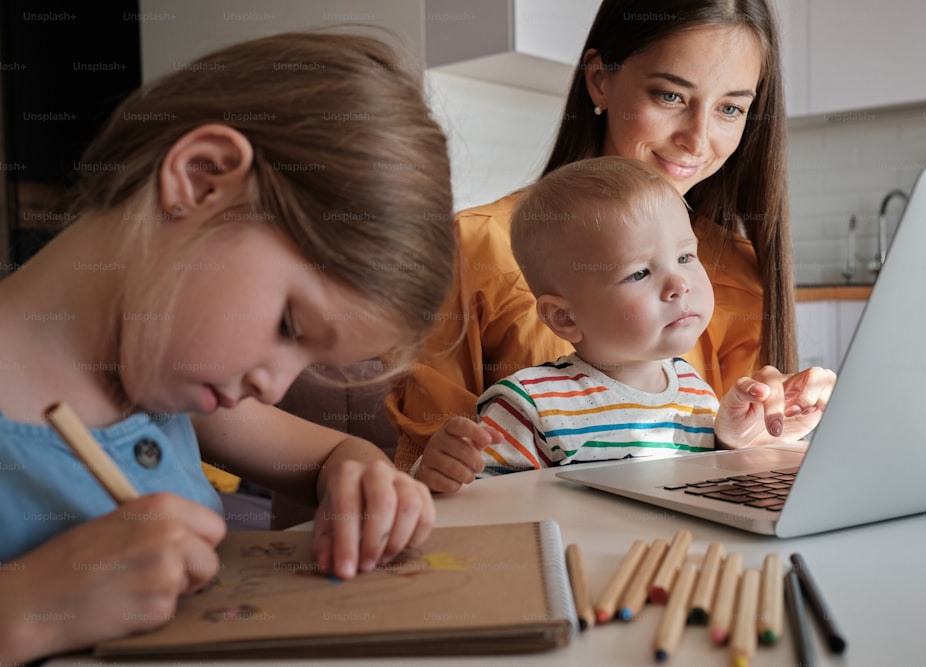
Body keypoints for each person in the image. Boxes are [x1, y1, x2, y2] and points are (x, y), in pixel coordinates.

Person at [0, 31, 454, 664]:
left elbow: (332, 455)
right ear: (203, 178)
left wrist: (360, 475)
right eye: (291, 327)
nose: (275, 385)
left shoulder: (158, 384)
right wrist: (25, 610)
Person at [389, 0, 803, 488]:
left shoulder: (742, 271)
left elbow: (736, 469)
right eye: (670, 96)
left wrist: (777, 426)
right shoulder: (473, 246)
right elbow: (431, 473)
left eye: (730, 108)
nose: (697, 139)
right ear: (599, 80)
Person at [414, 157, 833, 481]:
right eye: (639, 272)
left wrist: (738, 440)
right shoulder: (530, 404)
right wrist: (438, 471)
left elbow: (712, 483)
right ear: (563, 317)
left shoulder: (694, 392)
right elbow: (473, 502)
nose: (679, 284)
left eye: (686, 256)